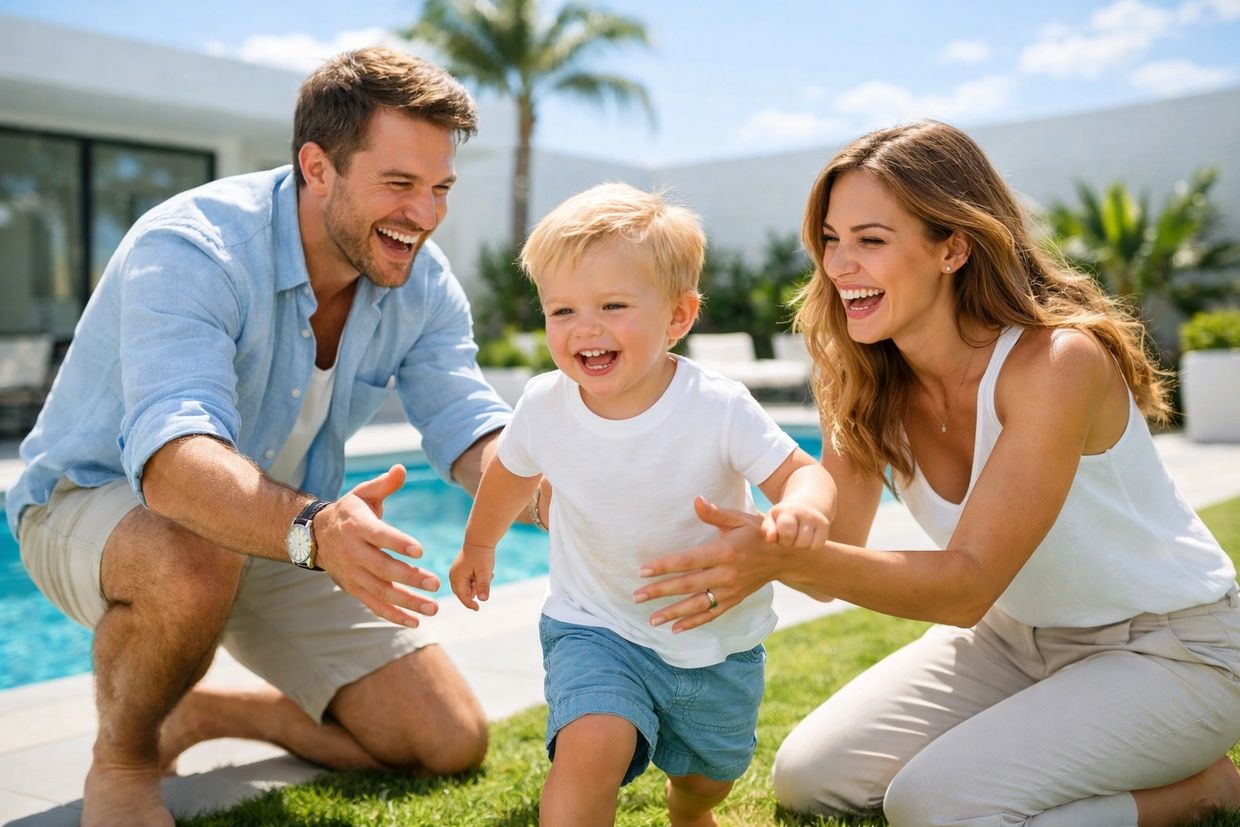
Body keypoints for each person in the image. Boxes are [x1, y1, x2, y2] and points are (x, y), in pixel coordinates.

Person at [633, 120, 1240, 826]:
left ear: (952, 246)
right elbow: (837, 541)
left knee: (936, 805)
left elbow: (966, 585)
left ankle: (1200, 790)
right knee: (808, 777)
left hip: (1171, 648)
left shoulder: (1057, 363)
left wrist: (774, 559)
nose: (838, 265)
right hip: (1014, 640)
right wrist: (762, 533)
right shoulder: (860, 377)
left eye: (870, 239)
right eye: (830, 240)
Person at [5, 47, 513, 827]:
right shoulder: (193, 247)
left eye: (439, 187)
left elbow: (471, 428)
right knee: (193, 551)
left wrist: (574, 486)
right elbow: (174, 470)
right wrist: (315, 527)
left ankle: (205, 711)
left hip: (284, 526)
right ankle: (125, 761)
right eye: (400, 184)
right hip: (99, 501)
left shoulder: (421, 281)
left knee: (444, 739)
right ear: (318, 167)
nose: (425, 213)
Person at [447, 182, 835, 826]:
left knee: (708, 775)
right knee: (589, 747)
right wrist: (479, 545)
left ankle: (688, 810)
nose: (584, 328)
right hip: (593, 624)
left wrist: (802, 508)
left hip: (712, 641)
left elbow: (803, 471)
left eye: (612, 305)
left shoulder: (717, 406)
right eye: (561, 311)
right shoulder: (544, 405)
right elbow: (509, 476)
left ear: (679, 317)